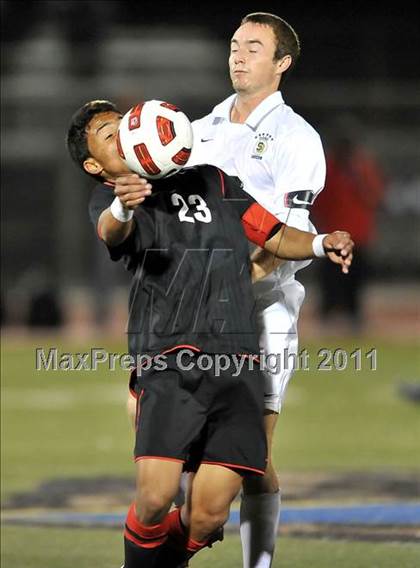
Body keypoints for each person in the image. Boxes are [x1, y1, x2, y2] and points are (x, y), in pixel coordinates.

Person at [66, 99, 353, 567]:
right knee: (156, 498)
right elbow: (111, 232)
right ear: (96, 165)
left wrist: (322, 243)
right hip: (169, 360)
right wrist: (123, 201)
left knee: (207, 516)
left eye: (124, 124)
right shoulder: (113, 201)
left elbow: (273, 232)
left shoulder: (211, 177)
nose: (124, 133)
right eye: (108, 134)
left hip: (238, 361)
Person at [188, 12, 327, 567]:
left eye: (253, 47)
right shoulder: (200, 130)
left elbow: (293, 236)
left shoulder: (297, 138)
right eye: (233, 45)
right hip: (191, 314)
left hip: (264, 313)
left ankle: (258, 564)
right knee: (182, 450)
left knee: (252, 454)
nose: (238, 55)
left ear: (282, 64)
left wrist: (231, 288)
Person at [312, 116, 384, 331]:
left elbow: (375, 196)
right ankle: (328, 317)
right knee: (331, 279)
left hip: (358, 235)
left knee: (355, 278)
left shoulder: (362, 167)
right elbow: (319, 200)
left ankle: (354, 317)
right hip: (333, 234)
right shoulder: (327, 168)